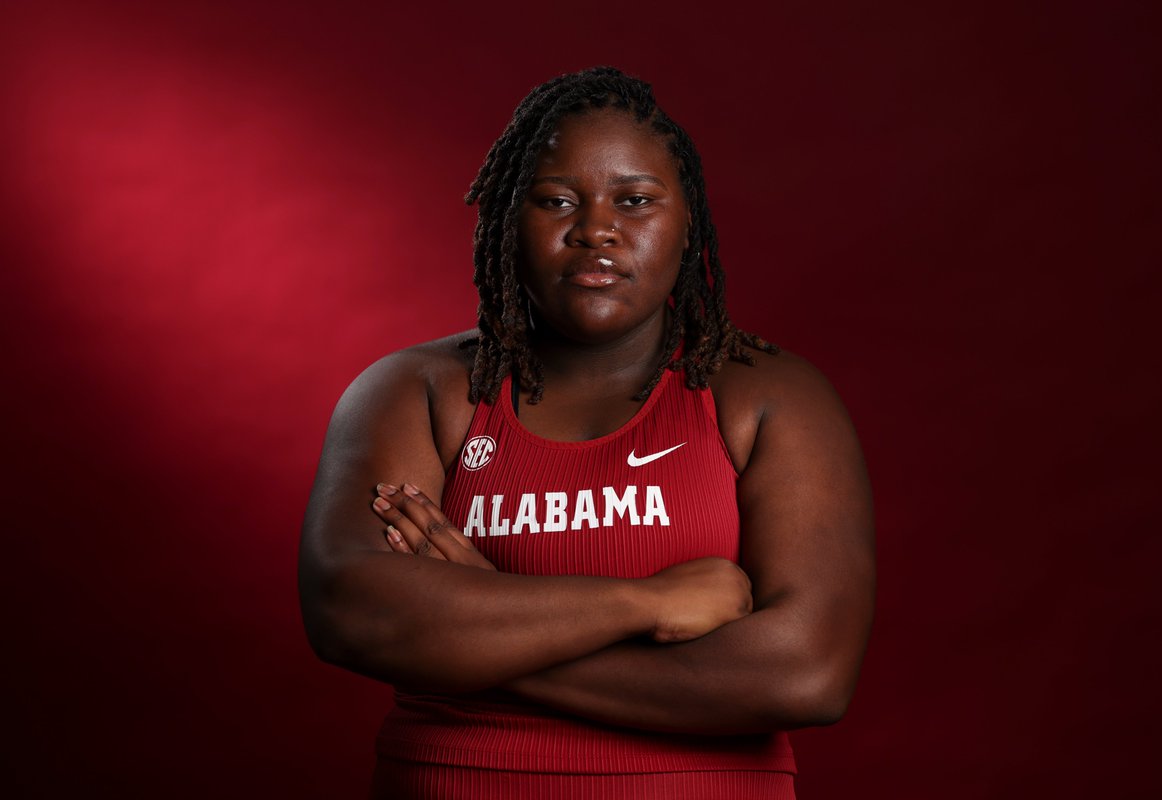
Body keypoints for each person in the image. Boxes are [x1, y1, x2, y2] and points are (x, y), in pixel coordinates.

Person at [299, 66, 874, 799]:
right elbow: (352, 612)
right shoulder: (418, 392)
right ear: (511, 220)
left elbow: (806, 675)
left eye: (634, 201)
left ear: (688, 220)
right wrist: (646, 604)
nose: (596, 228)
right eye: (556, 200)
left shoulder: (767, 396)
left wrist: (483, 618)